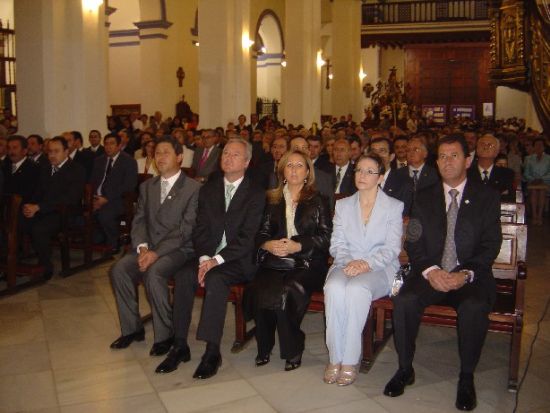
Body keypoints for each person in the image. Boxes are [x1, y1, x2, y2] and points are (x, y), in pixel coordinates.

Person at [384, 134, 502, 412]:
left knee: (474, 306)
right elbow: (414, 241)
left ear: (467, 160)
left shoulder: (486, 197)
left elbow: (490, 245)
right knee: (404, 301)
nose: (447, 162)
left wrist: (465, 273)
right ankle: (405, 369)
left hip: (468, 276)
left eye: (454, 156)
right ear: (436, 162)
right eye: (442, 156)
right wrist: (430, 270)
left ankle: (466, 376)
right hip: (432, 273)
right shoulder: (423, 197)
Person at [155, 137, 265, 377]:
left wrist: (216, 261)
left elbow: (248, 238)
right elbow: (200, 228)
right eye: (225, 153)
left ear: (246, 162)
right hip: (208, 255)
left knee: (216, 279)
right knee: (184, 275)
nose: (227, 158)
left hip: (239, 260)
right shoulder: (209, 188)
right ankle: (179, 344)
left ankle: (212, 351)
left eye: (235, 154)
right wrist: (205, 257)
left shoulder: (256, 192)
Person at [110, 136, 200, 357]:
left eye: (166, 152)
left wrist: (155, 253)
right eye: (157, 153)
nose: (160, 157)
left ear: (179, 157)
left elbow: (185, 229)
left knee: (154, 272)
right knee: (119, 269)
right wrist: (141, 247)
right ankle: (132, 329)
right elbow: (139, 220)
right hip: (148, 246)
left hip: (179, 249)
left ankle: (165, 335)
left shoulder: (193, 188)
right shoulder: (147, 186)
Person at [245, 149, 332, 371]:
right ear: (282, 170)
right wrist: (267, 245)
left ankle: (293, 348)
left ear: (307, 172)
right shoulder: (272, 198)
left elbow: (326, 238)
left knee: (286, 291)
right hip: (276, 260)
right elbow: (262, 233)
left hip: (308, 263)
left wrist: (298, 245)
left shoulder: (318, 199)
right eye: (289, 165)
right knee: (259, 288)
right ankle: (264, 346)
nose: (293, 170)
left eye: (299, 166)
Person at [324, 153, 403, 385]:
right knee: (334, 287)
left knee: (357, 289)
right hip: (345, 264)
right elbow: (337, 243)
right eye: (359, 170)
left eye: (370, 171)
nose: (362, 175)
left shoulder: (393, 207)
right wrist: (349, 261)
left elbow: (392, 249)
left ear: (380, 176)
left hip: (381, 268)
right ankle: (334, 357)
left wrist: (366, 264)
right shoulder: (343, 205)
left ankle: (348, 360)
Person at [23, 137, 86, 279]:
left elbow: (70, 198)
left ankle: (46, 266)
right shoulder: (45, 168)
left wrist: (39, 207)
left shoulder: (76, 169)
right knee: (18, 221)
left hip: (65, 213)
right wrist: (30, 205)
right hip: (44, 209)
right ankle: (15, 261)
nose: (51, 155)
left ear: (66, 152)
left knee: (39, 229)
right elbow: (38, 192)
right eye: (49, 151)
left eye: (56, 151)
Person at [89, 134, 138, 254]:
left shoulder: (129, 161)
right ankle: (98, 238)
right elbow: (92, 181)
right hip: (97, 198)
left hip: (118, 200)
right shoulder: (99, 160)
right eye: (106, 144)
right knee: (83, 213)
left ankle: (113, 242)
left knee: (105, 215)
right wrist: (93, 199)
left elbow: (129, 185)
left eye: (112, 143)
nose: (108, 147)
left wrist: (106, 199)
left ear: (119, 145)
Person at [467, 134, 515, 202]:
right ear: (477, 149)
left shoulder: (507, 174)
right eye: (482, 144)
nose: (485, 147)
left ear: (497, 151)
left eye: (490, 145)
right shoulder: (466, 174)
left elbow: (507, 199)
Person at [523, 137, 550, 225]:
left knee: (542, 191)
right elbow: (526, 173)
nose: (538, 147)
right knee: (534, 191)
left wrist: (542, 179)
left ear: (544, 147)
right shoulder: (528, 158)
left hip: (545, 182)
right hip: (532, 183)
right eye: (536, 145)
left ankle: (540, 215)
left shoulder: (549, 158)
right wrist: (533, 179)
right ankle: (534, 215)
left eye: (540, 145)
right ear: (533, 147)